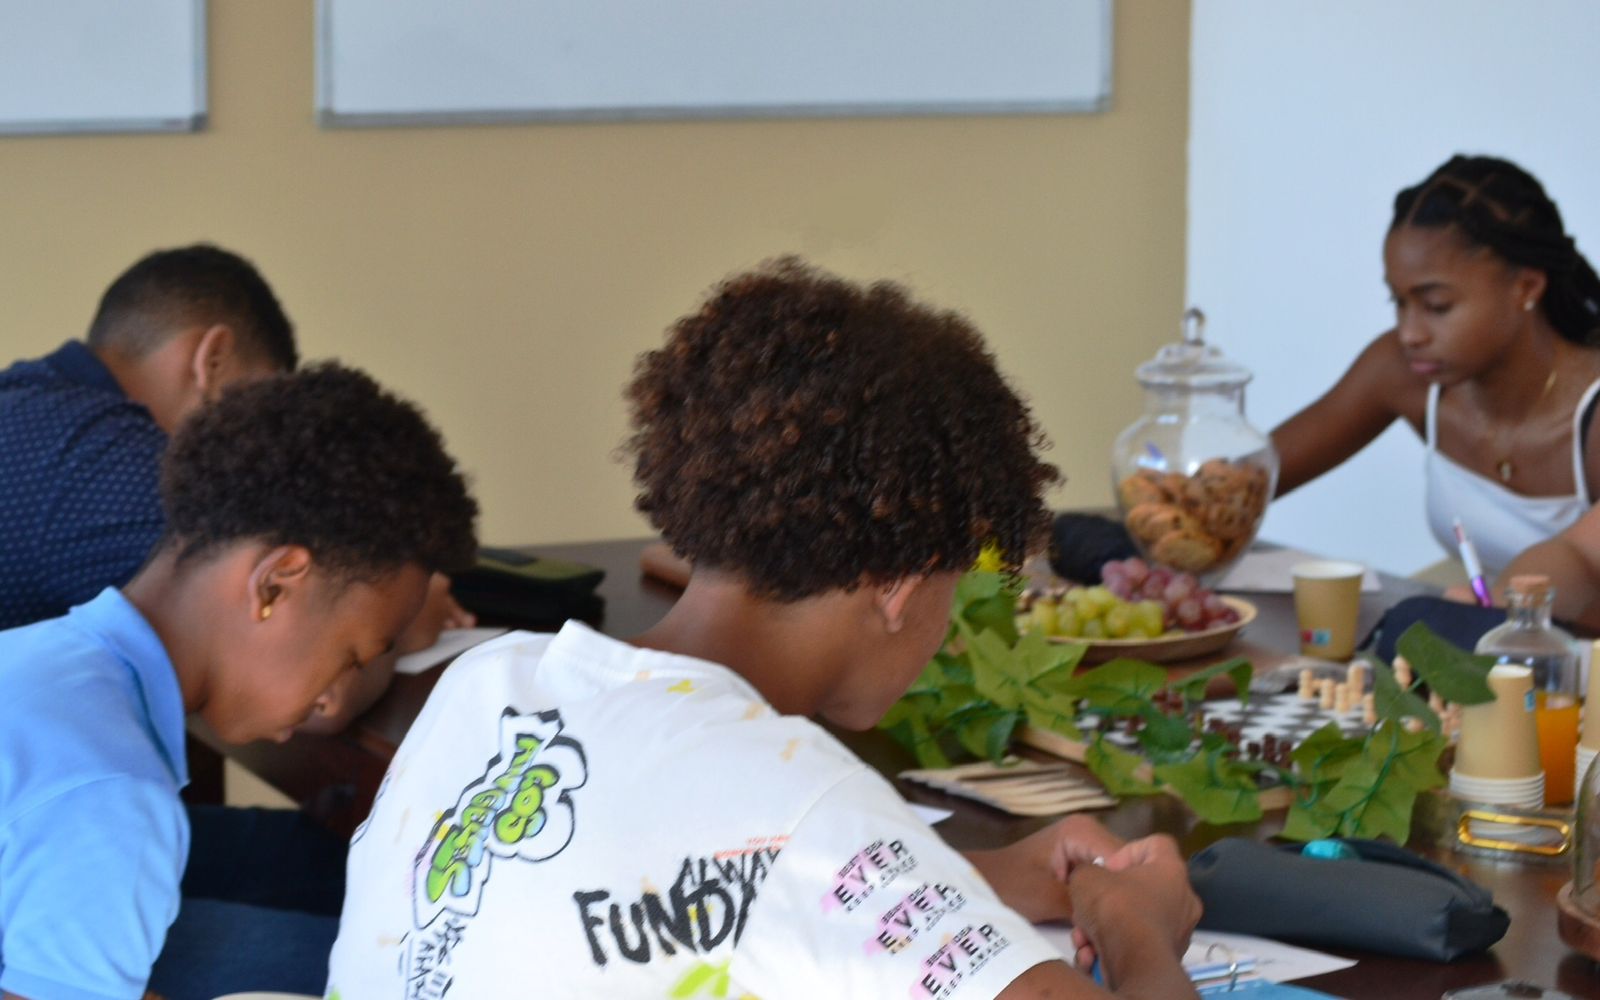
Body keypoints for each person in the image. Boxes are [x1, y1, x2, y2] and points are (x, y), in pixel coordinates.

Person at [326, 260, 1201, 999]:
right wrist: (1139, 929)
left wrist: (971, 881)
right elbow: (783, 847)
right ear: (899, 584)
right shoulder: (804, 802)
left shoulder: (486, 685)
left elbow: (702, 883)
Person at [0, 363, 479, 1000]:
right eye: (352, 656)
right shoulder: (116, 792)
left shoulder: (33, 655)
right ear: (274, 585)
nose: (331, 696)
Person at [0, 243, 472, 728]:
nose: (266, 447)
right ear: (213, 359)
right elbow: (308, 698)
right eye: (261, 405)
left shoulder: (30, 411)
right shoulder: (104, 462)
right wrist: (400, 621)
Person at [1271, 155, 1600, 581]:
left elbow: (1582, 565)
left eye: (1436, 305)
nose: (1409, 333)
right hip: (1483, 615)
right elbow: (1248, 481)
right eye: (1398, 302)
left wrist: (1494, 610)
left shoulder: (1591, 414)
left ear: (1526, 287)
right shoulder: (1406, 372)